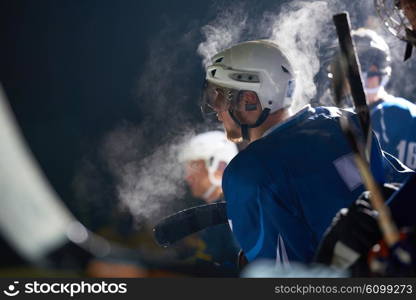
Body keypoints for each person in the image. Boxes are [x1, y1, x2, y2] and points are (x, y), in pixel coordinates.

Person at [200, 40, 410, 264]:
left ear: (249, 100)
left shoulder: (247, 171)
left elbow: (273, 273)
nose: (216, 107)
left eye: (219, 96)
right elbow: (403, 185)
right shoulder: (344, 121)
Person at [351, 28, 416, 170]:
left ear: (380, 70)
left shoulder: (403, 114)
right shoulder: (344, 117)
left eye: (369, 69)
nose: (362, 78)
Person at [178, 131, 240, 271]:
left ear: (220, 166)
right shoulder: (215, 210)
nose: (188, 177)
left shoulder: (231, 211)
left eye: (194, 166)